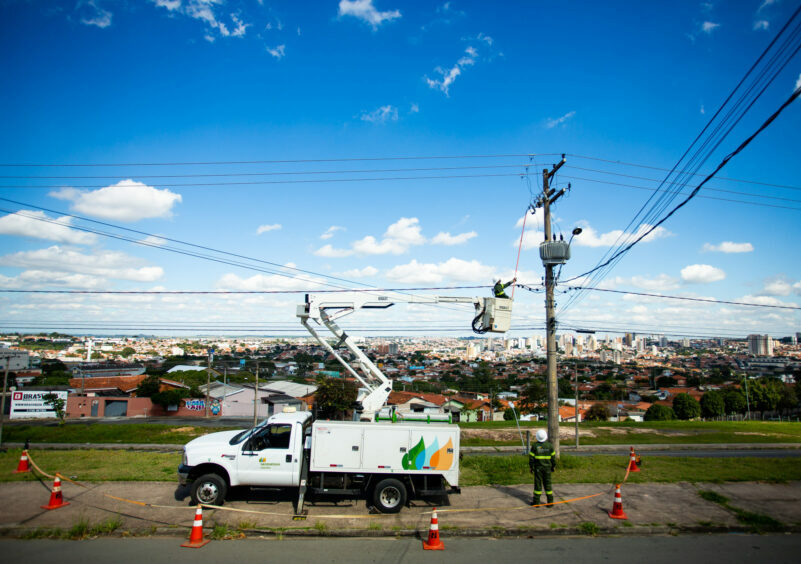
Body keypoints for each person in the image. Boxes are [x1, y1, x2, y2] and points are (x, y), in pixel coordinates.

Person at [529, 429, 556, 507]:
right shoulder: (550, 446)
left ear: (537, 437)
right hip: (547, 469)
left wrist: (531, 467)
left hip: (538, 469)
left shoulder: (534, 446)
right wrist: (553, 466)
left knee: (538, 485)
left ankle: (536, 502)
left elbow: (531, 458)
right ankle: (550, 502)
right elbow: (553, 458)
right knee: (548, 485)